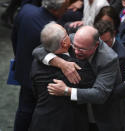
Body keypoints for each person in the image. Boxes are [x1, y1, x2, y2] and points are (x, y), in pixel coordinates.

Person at [33, 26, 125, 131]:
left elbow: (100, 94)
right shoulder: (73, 39)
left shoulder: (109, 59)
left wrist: (66, 91)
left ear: (96, 45)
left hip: (102, 116)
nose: (76, 52)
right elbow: (39, 49)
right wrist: (61, 63)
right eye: (74, 47)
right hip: (77, 116)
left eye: (82, 49)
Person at [11, 0, 77, 130]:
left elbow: (14, 37)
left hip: (23, 69)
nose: (67, 9)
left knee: (23, 111)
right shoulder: (54, 31)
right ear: (57, 10)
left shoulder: (26, 10)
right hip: (42, 77)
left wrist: (20, 57)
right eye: (65, 7)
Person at [29, 22, 95, 131]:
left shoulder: (37, 62)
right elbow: (95, 87)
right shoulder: (76, 68)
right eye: (66, 33)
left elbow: (35, 91)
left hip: (41, 122)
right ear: (64, 43)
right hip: (69, 124)